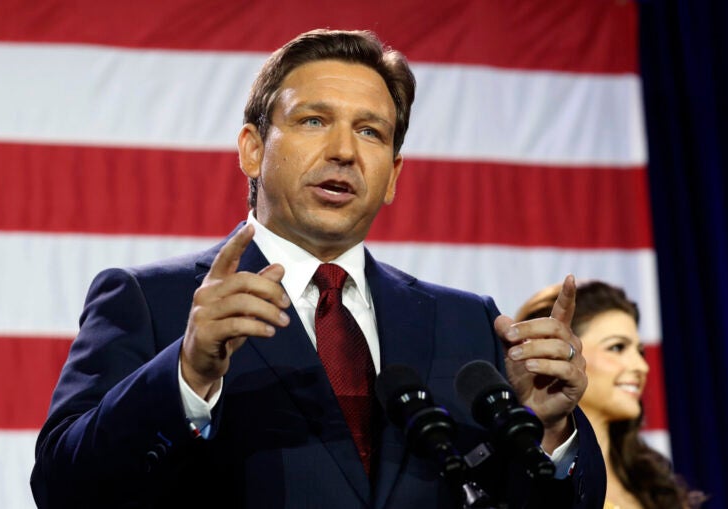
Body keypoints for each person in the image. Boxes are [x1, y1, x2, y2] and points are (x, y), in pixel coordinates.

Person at [31, 29, 604, 508]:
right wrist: (186, 375)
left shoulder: (465, 322)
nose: (344, 152)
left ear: (394, 175)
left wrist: (548, 429)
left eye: (370, 131)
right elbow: (63, 489)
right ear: (252, 148)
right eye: (312, 121)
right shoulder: (153, 302)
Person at [516, 281, 704, 509]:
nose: (642, 367)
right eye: (617, 347)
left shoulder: (654, 483)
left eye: (639, 351)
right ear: (558, 356)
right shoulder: (516, 476)